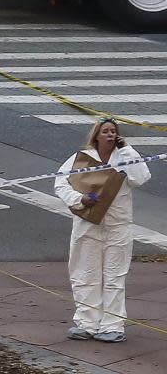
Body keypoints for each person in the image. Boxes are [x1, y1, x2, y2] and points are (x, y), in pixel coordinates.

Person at [54, 119, 150, 343]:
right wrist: (79, 200)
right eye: (105, 131)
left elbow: (141, 177)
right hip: (88, 223)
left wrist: (127, 149)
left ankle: (112, 325)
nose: (109, 134)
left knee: (114, 275)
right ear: (96, 135)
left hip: (118, 225)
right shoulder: (82, 158)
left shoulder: (125, 157)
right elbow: (61, 183)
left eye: (113, 131)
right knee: (85, 273)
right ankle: (86, 323)